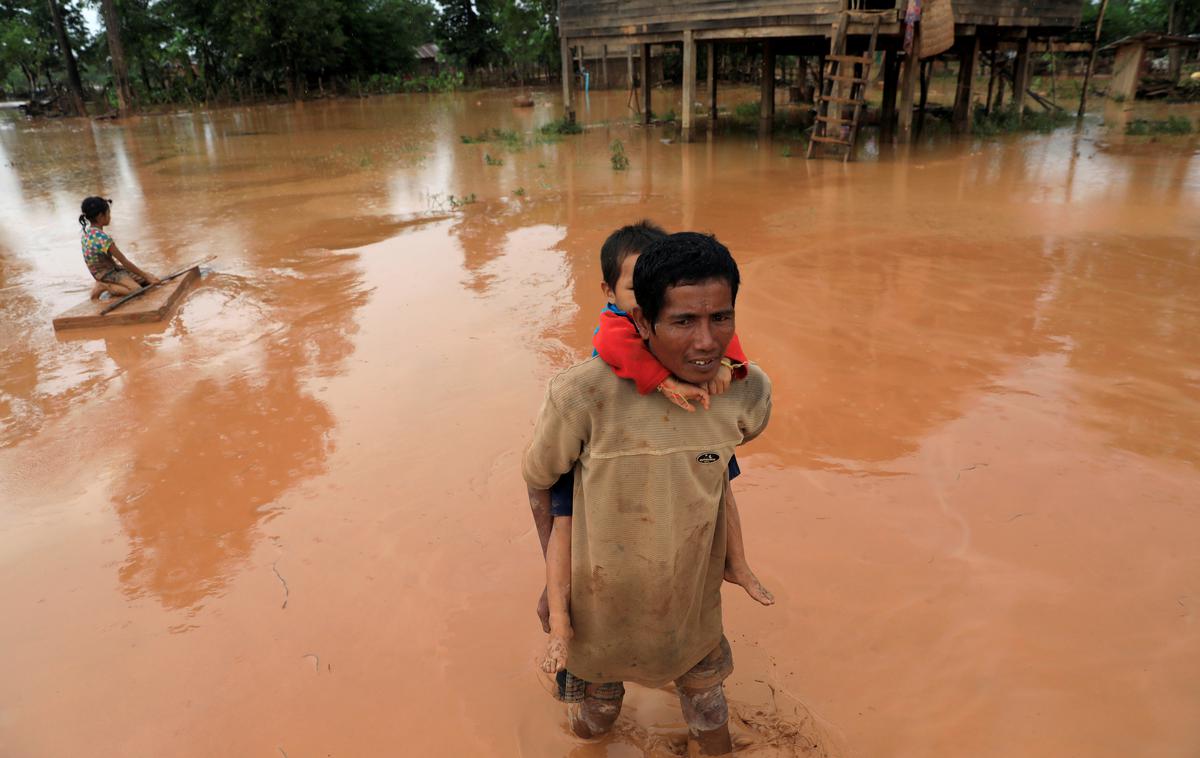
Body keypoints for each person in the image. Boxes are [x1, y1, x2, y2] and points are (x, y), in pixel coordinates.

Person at [524, 232, 773, 756]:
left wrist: (736, 560)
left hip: (691, 607)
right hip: (600, 610)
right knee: (594, 722)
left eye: (720, 319)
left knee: (711, 721)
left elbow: (722, 471)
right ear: (641, 320)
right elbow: (541, 478)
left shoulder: (746, 392)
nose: (706, 342)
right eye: (683, 322)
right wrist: (556, 585)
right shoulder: (581, 394)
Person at [79, 196, 159, 300]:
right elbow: (124, 260)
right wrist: (146, 275)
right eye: (108, 213)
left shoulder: (86, 235)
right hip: (108, 274)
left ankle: (109, 285)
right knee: (138, 291)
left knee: (145, 282)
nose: (110, 217)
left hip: (105, 272)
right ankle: (105, 286)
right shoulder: (103, 238)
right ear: (100, 216)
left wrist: (145, 277)